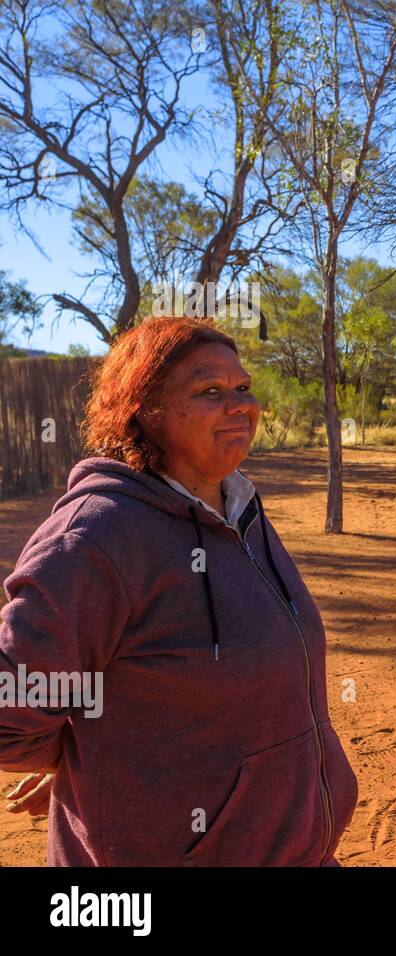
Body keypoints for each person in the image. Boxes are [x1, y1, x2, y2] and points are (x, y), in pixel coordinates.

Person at [0, 316, 358, 865]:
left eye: (242, 388)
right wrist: (96, 767)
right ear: (145, 410)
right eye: (209, 392)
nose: (241, 405)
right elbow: (12, 715)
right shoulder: (97, 537)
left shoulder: (239, 509)